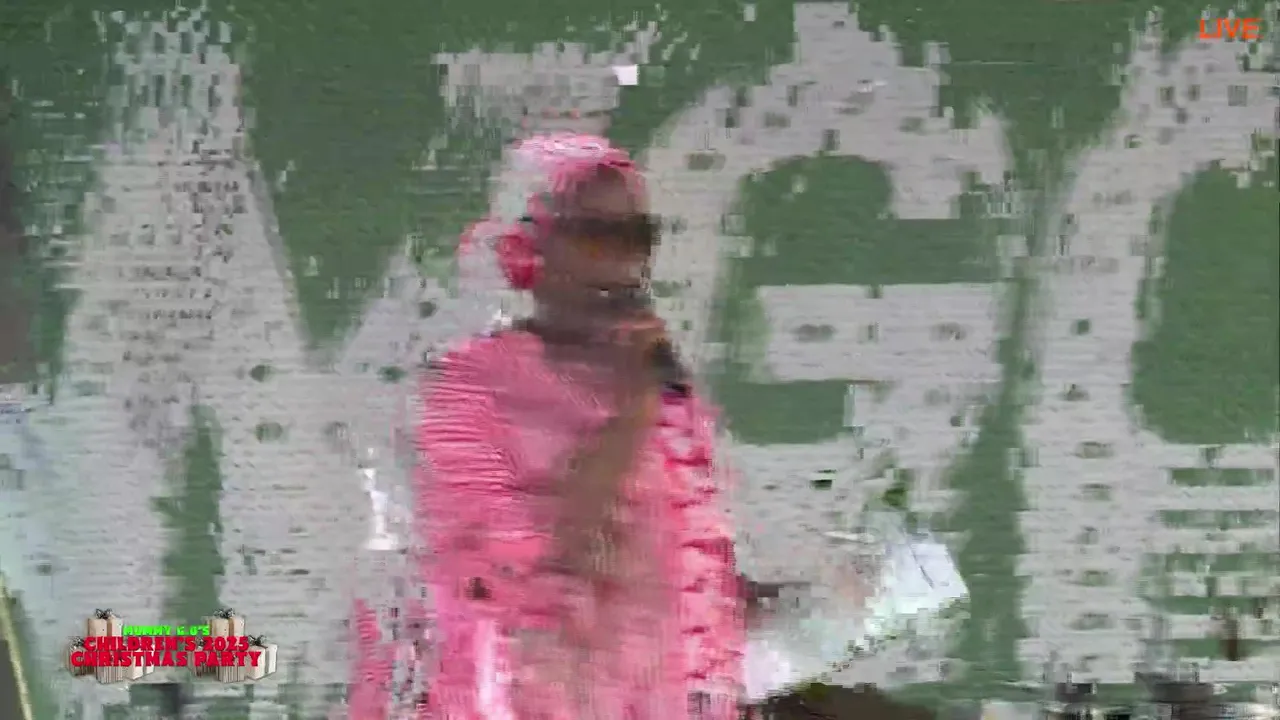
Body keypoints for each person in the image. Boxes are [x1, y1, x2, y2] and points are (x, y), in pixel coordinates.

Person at [415, 133, 746, 720]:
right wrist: (630, 415)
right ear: (527, 246)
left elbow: (690, 586)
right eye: (597, 236)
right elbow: (525, 583)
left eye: (637, 237)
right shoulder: (471, 387)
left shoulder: (661, 391)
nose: (622, 260)